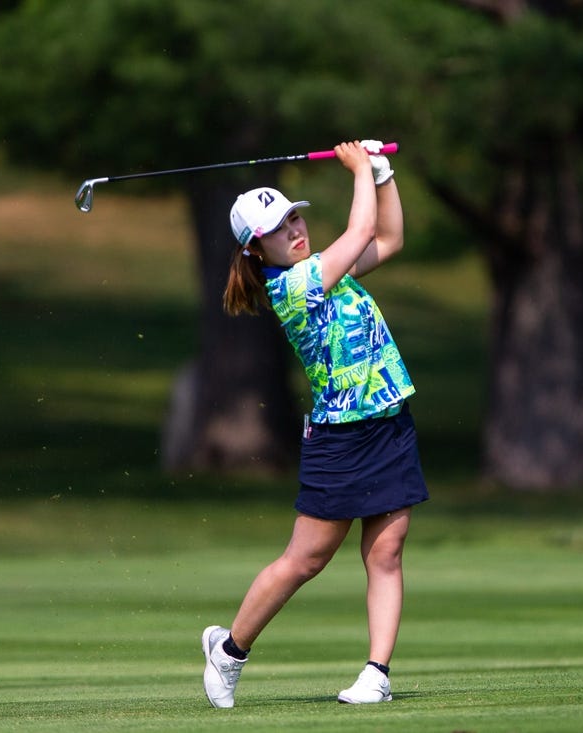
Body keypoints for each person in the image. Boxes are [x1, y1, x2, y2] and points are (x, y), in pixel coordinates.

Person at [201, 140, 428, 709]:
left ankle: (376, 673)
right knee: (306, 560)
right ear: (258, 249)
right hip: (341, 438)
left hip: (388, 423)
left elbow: (389, 239)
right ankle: (229, 651)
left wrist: (382, 172)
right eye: (281, 228)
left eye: (296, 217)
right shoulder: (293, 288)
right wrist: (356, 172)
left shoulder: (328, 270)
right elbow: (356, 236)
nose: (296, 230)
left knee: (387, 551)